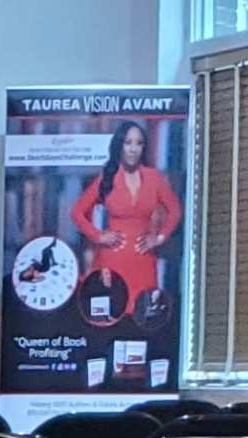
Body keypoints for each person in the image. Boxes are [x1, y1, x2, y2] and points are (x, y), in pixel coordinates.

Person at [66, 116, 184, 326]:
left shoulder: (155, 178)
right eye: (128, 143)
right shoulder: (108, 177)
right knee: (111, 318)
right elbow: (77, 212)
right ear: (119, 145)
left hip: (144, 260)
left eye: (139, 143)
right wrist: (99, 236)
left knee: (143, 320)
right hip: (112, 261)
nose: (133, 149)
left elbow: (175, 210)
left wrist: (159, 238)